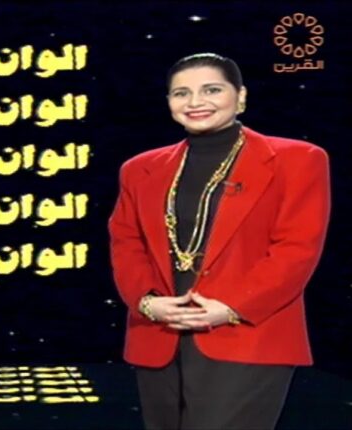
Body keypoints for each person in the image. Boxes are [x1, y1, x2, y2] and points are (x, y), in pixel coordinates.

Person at [107, 53, 331, 430]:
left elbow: (297, 249)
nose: (195, 102)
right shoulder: (139, 168)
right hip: (160, 334)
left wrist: (230, 307)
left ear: (240, 96)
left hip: (247, 334)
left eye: (211, 90)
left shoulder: (298, 159)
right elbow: (126, 242)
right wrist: (147, 302)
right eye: (181, 93)